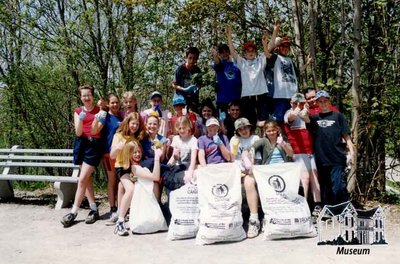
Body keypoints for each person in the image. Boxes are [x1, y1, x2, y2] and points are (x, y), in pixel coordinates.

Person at [61, 84, 103, 228]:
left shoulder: (100, 111)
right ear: (81, 97)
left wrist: (96, 117)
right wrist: (81, 118)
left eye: (88, 95)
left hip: (94, 146)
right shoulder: (78, 111)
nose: (86, 98)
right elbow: (78, 133)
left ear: (93, 96)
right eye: (84, 95)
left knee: (82, 178)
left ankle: (73, 212)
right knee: (87, 180)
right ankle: (93, 209)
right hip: (81, 144)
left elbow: (94, 132)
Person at [308, 90, 354, 206]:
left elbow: (347, 136)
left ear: (329, 101)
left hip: (337, 157)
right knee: (324, 186)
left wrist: (351, 154)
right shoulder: (314, 118)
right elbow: (303, 116)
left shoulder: (338, 116)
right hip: (321, 158)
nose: (323, 103)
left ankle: (343, 209)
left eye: (325, 101)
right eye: (320, 101)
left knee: (338, 185)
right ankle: (328, 210)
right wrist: (305, 105)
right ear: (317, 103)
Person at [265, 21, 312, 124]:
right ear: (278, 47)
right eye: (283, 46)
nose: (285, 49)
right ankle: (280, 139)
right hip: (280, 95)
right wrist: (275, 31)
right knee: (280, 119)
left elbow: (297, 72)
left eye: (287, 47)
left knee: (295, 119)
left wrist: (307, 64)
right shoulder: (275, 57)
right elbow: (267, 53)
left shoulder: (290, 60)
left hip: (293, 96)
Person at [113, 140, 162, 236]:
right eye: (134, 152)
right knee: (129, 189)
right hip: (124, 171)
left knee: (151, 186)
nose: (137, 154)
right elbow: (155, 176)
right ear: (129, 154)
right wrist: (157, 157)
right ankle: (120, 220)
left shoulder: (140, 164)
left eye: (139, 152)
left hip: (133, 175)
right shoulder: (134, 167)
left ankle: (122, 216)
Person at [283, 93, 322, 215]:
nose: (297, 105)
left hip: (311, 150)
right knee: (304, 179)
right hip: (299, 152)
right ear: (291, 103)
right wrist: (298, 108)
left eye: (299, 102)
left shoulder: (307, 111)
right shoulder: (289, 112)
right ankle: (303, 207)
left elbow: (308, 121)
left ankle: (317, 205)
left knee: (315, 177)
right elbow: (291, 117)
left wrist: (305, 111)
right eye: (295, 103)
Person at [226, 24, 271, 128]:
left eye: (252, 51)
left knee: (263, 123)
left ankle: (264, 142)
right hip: (247, 96)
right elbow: (233, 52)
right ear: (245, 53)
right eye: (248, 51)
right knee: (248, 123)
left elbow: (268, 52)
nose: (250, 53)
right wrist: (229, 37)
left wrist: (265, 43)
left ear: (255, 52)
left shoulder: (260, 60)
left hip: (261, 94)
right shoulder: (242, 62)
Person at [109, 112, 146, 225]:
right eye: (133, 123)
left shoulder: (135, 138)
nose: (135, 126)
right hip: (122, 168)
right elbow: (112, 156)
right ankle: (120, 219)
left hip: (133, 168)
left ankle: (122, 212)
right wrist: (118, 148)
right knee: (130, 189)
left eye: (137, 124)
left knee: (122, 187)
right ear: (128, 123)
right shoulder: (118, 136)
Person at [91, 93, 123, 224]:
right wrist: (99, 110)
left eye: (117, 102)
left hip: (120, 153)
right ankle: (112, 207)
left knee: (121, 180)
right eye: (112, 102)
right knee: (112, 180)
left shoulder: (121, 116)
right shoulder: (106, 116)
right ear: (108, 104)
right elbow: (94, 130)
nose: (115, 105)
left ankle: (120, 206)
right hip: (108, 154)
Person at [229, 117, 261, 238]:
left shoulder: (255, 138)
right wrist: (235, 149)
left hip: (252, 168)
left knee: (248, 182)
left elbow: (257, 159)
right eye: (240, 129)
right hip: (237, 169)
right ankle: (231, 219)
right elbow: (232, 158)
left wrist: (249, 168)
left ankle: (254, 219)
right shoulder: (234, 139)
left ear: (250, 127)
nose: (243, 130)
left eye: (245, 127)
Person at [164, 116, 198, 192]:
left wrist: (190, 171)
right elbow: (173, 158)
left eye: (184, 128)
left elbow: (193, 159)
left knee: (190, 177)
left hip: (188, 167)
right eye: (179, 128)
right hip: (177, 167)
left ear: (188, 127)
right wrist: (167, 167)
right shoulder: (176, 139)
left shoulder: (193, 140)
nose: (182, 130)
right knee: (168, 178)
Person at [140, 113, 168, 201]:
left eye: (155, 124)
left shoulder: (162, 139)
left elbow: (162, 158)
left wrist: (159, 147)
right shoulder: (142, 137)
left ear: (158, 126)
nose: (152, 126)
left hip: (157, 167)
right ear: (146, 124)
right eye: (150, 124)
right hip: (144, 168)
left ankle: (158, 203)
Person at [212, 44, 242, 116]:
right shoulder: (220, 65)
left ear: (229, 52)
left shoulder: (236, 65)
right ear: (219, 54)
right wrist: (215, 56)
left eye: (226, 51)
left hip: (235, 99)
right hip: (222, 100)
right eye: (222, 52)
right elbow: (217, 62)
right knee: (223, 121)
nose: (224, 54)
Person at [172, 47, 202, 113]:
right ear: (186, 58)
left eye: (194, 58)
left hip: (192, 98)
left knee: (193, 115)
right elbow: (174, 85)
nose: (192, 60)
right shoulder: (180, 69)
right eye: (190, 58)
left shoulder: (198, 70)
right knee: (181, 116)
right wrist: (184, 89)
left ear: (197, 59)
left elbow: (200, 84)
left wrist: (196, 88)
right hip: (180, 97)